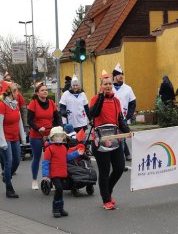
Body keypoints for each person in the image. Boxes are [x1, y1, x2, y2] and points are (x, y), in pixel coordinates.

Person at [90, 70, 131, 210]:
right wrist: (101, 96)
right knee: (104, 171)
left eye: (109, 84)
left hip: (115, 138)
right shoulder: (96, 99)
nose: (108, 86)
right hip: (100, 139)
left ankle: (107, 190)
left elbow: (120, 119)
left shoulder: (116, 101)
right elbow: (93, 114)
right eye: (105, 84)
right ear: (101, 86)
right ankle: (106, 199)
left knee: (119, 168)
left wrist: (128, 132)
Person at [42, 126, 84, 218]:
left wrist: (77, 153)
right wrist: (45, 175)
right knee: (59, 189)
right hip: (54, 174)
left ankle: (60, 208)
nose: (60, 138)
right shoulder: (49, 149)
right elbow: (46, 162)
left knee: (60, 190)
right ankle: (56, 209)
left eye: (61, 136)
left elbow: (66, 158)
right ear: (52, 137)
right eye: (57, 136)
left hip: (62, 173)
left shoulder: (63, 148)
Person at [27, 82, 62, 190]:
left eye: (46, 90)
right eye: (42, 90)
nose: (45, 91)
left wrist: (57, 128)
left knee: (52, 158)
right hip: (37, 134)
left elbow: (57, 117)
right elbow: (30, 120)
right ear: (37, 93)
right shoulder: (33, 103)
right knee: (37, 158)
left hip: (50, 134)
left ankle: (51, 180)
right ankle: (34, 180)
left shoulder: (51, 103)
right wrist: (38, 128)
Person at [0, 81, 26, 198]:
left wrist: (23, 137)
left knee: (17, 161)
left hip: (15, 138)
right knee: (8, 162)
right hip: (5, 139)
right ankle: (9, 188)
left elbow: (19, 121)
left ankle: (6, 176)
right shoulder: (1, 105)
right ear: (10, 92)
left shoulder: (15, 104)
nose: (18, 93)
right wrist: (3, 142)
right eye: (15, 91)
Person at [112, 63, 136, 162]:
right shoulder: (110, 87)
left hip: (124, 117)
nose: (121, 76)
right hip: (112, 117)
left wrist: (129, 116)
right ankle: (125, 154)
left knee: (122, 136)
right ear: (114, 76)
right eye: (119, 74)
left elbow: (133, 103)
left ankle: (122, 156)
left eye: (122, 74)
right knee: (116, 137)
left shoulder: (128, 88)